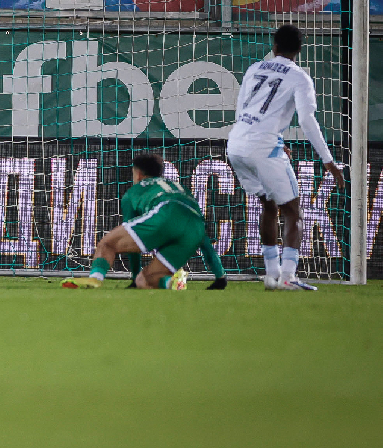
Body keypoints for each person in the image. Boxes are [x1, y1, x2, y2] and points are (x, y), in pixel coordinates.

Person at [226, 24, 345, 291]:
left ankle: (272, 275)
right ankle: (288, 276)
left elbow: (242, 109)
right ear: (299, 49)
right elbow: (306, 120)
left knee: (268, 206)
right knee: (293, 211)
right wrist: (327, 159)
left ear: (275, 46)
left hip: (236, 143)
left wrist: (272, 139)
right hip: (263, 146)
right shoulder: (299, 77)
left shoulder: (254, 68)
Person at [61, 154, 228, 290]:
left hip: (166, 214)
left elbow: (132, 245)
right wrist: (220, 276)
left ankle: (95, 279)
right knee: (145, 280)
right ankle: (172, 283)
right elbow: (204, 240)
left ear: (138, 174)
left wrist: (134, 276)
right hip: (195, 230)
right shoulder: (179, 188)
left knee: (107, 244)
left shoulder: (134, 191)